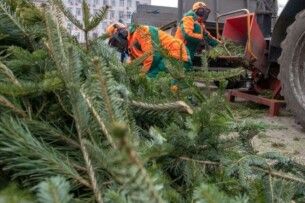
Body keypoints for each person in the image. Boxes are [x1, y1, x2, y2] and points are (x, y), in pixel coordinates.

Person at [107, 23, 192, 78]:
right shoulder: (130, 46)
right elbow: (136, 62)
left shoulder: (140, 31)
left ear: (122, 34)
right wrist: (125, 70)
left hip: (177, 54)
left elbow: (152, 55)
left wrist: (141, 75)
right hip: (165, 58)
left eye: (116, 43)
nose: (117, 47)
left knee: (151, 78)